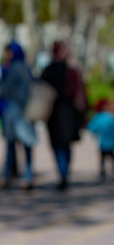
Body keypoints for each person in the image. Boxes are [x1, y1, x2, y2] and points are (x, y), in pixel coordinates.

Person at [40, 40, 88, 191]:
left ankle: (63, 173)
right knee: (64, 145)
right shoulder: (71, 70)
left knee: (58, 145)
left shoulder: (49, 70)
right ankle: (64, 173)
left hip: (55, 113)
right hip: (67, 113)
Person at [0, 42, 38, 191]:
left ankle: (7, 176)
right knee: (27, 146)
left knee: (11, 146)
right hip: (27, 112)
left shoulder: (12, 69)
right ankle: (27, 175)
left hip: (14, 112)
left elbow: (4, 91)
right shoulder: (27, 68)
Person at [87, 99, 114, 181]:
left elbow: (91, 127)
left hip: (103, 142)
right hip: (112, 143)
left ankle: (102, 172)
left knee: (102, 158)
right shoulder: (112, 117)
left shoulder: (99, 117)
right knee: (111, 157)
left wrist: (95, 133)